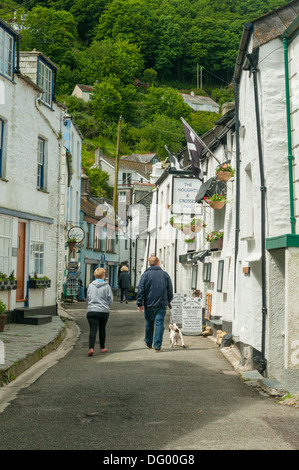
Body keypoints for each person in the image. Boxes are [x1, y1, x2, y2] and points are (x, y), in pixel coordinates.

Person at [137, 256, 173, 352]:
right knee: (159, 323)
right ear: (158, 263)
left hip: (149, 303)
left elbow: (141, 289)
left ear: (150, 263)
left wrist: (139, 303)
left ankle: (148, 343)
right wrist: (169, 300)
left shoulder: (145, 275)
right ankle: (157, 346)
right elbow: (169, 290)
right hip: (161, 304)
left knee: (149, 323)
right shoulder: (165, 275)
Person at [86, 268, 113, 356]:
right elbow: (110, 299)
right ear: (103, 276)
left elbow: (88, 297)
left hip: (92, 310)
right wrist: (107, 307)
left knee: (93, 329)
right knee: (102, 328)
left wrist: (90, 305)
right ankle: (102, 347)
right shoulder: (106, 286)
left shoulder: (90, 286)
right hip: (103, 311)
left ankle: (91, 348)